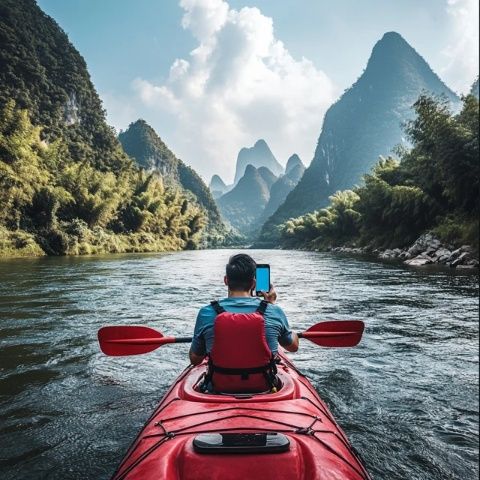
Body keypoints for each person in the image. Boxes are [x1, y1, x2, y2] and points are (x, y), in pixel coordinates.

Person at [189, 253, 299, 393]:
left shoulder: (206, 313)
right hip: (264, 387)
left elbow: (195, 359)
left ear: (226, 280)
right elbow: (292, 347)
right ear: (254, 284)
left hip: (219, 388)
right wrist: (271, 305)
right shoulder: (274, 311)